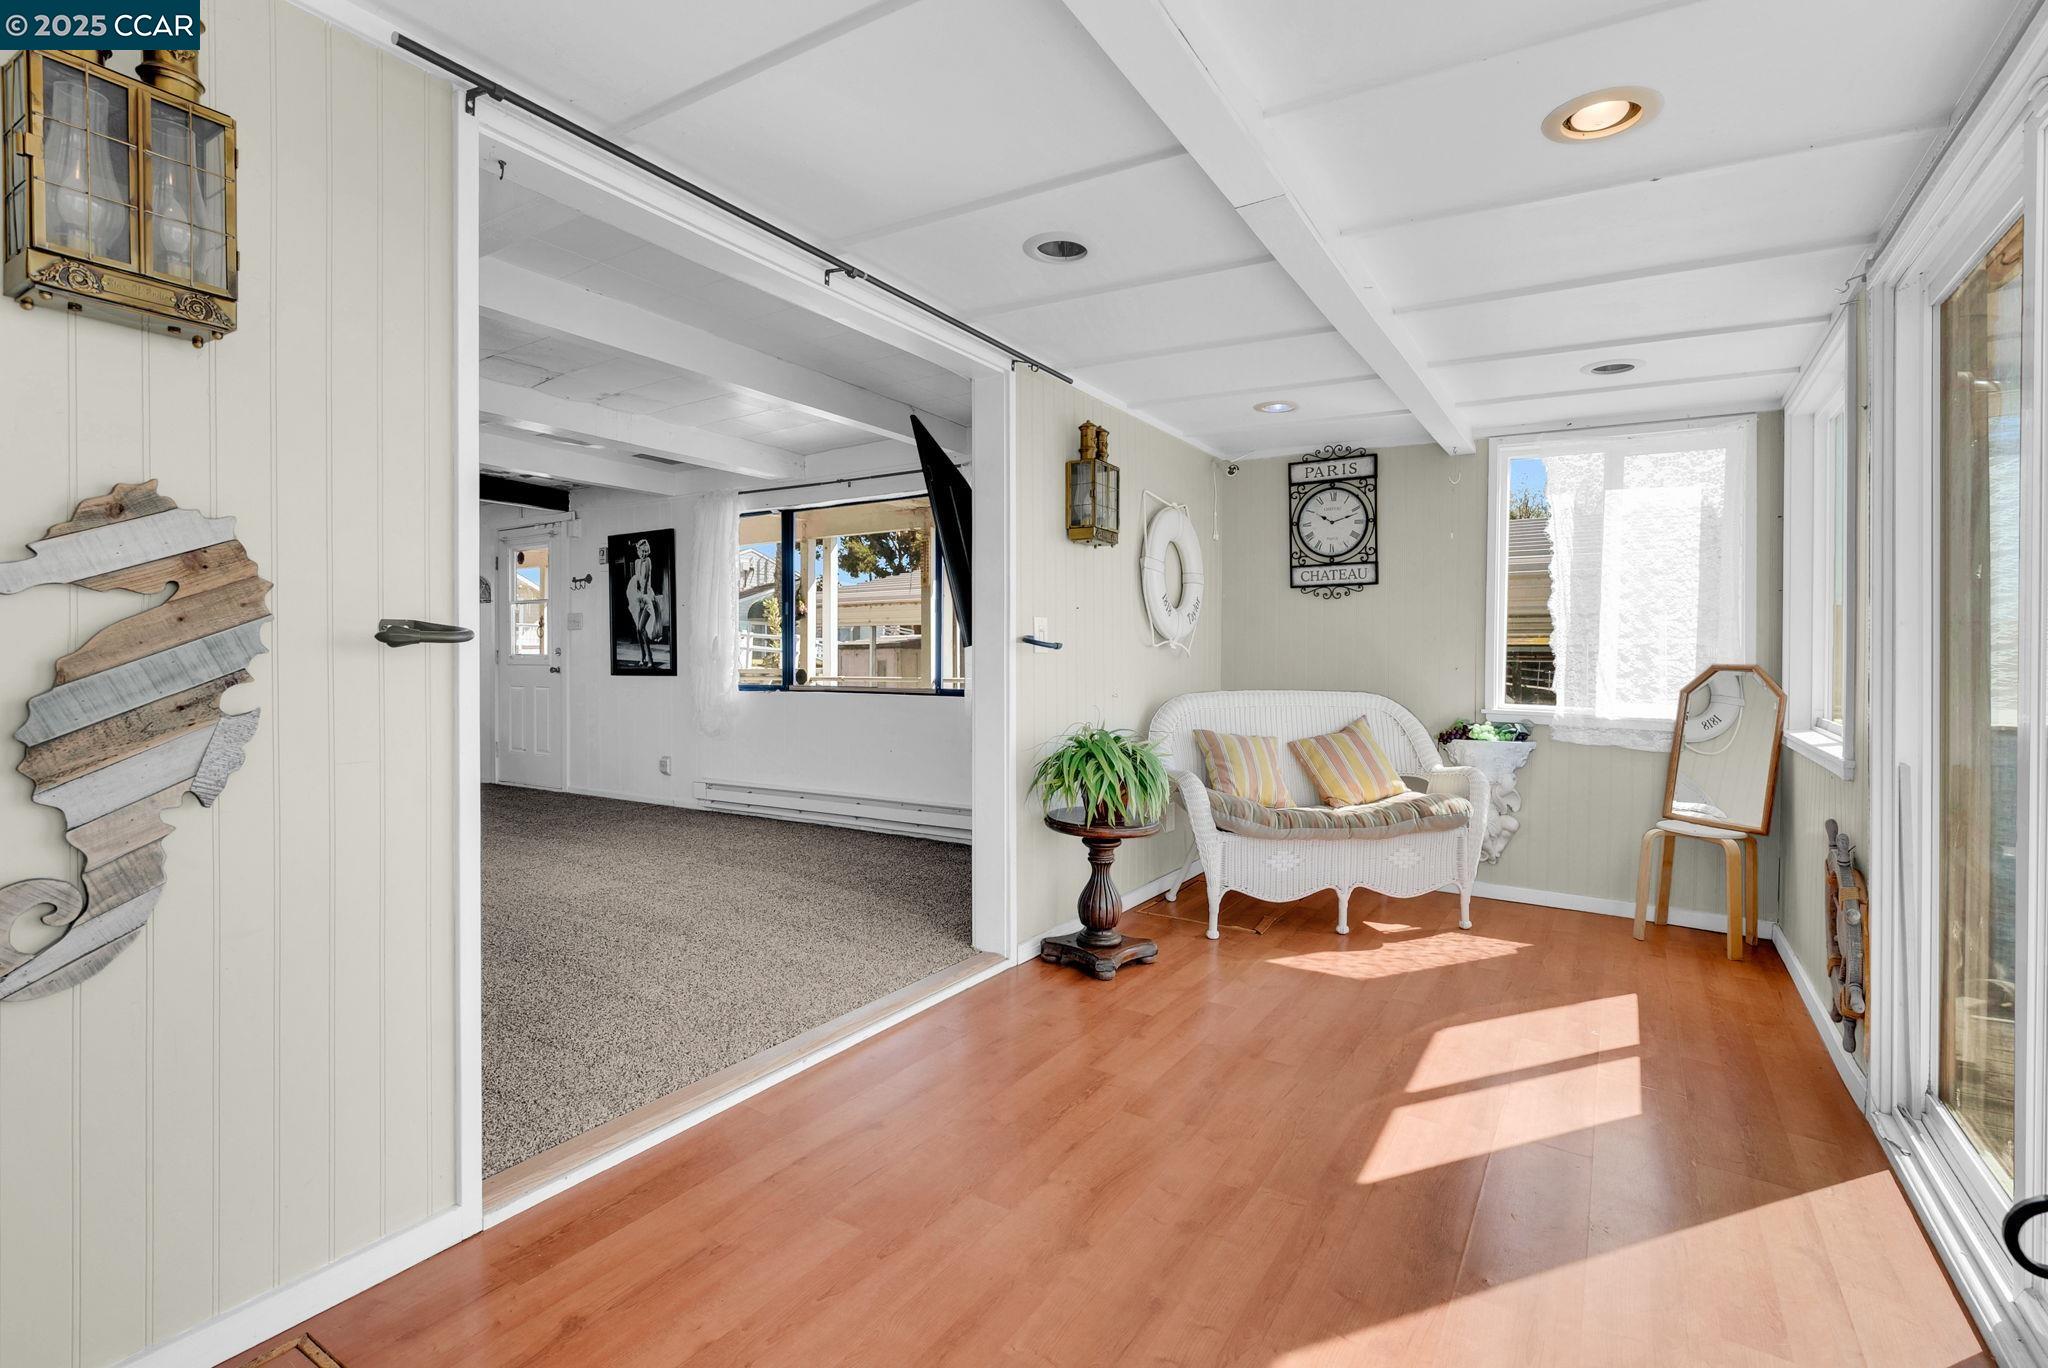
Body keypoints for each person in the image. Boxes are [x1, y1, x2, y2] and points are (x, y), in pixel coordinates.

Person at [625, 538, 664, 668]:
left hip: (647, 597)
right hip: (639, 596)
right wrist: (636, 596)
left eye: (645, 551)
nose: (643, 554)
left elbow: (646, 581)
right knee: (638, 630)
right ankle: (643, 657)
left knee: (641, 628)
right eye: (641, 551)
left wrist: (643, 599)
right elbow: (637, 580)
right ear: (638, 551)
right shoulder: (636, 562)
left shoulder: (648, 561)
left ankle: (650, 659)